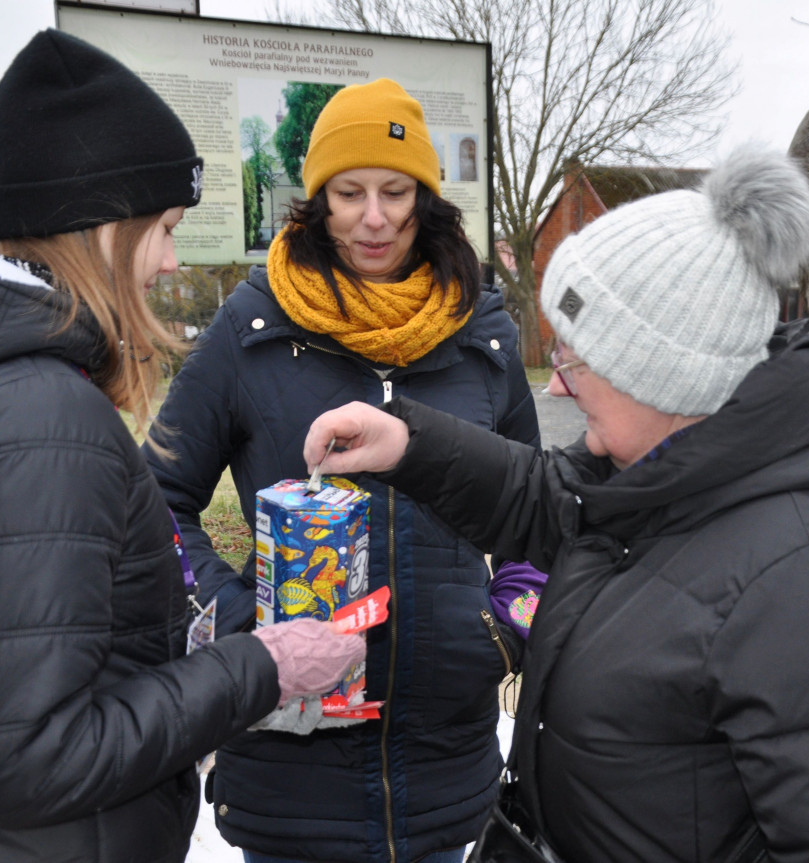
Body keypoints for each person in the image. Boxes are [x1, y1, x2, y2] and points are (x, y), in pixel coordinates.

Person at [304, 147, 809, 861]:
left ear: (666, 375)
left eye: (576, 361)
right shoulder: (656, 473)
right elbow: (546, 498)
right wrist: (408, 445)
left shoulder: (807, 577)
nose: (556, 387)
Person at [0, 30, 364, 863]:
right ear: (98, 227)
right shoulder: (40, 424)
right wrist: (260, 665)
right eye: (162, 227)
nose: (170, 261)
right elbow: (28, 758)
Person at [143, 78, 542, 862]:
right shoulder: (250, 326)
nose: (374, 216)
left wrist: (503, 631)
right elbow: (150, 503)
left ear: (425, 197)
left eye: (396, 191)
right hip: (290, 770)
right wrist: (240, 627)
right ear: (316, 198)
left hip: (443, 770)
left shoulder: (483, 332)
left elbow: (541, 511)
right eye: (349, 191)